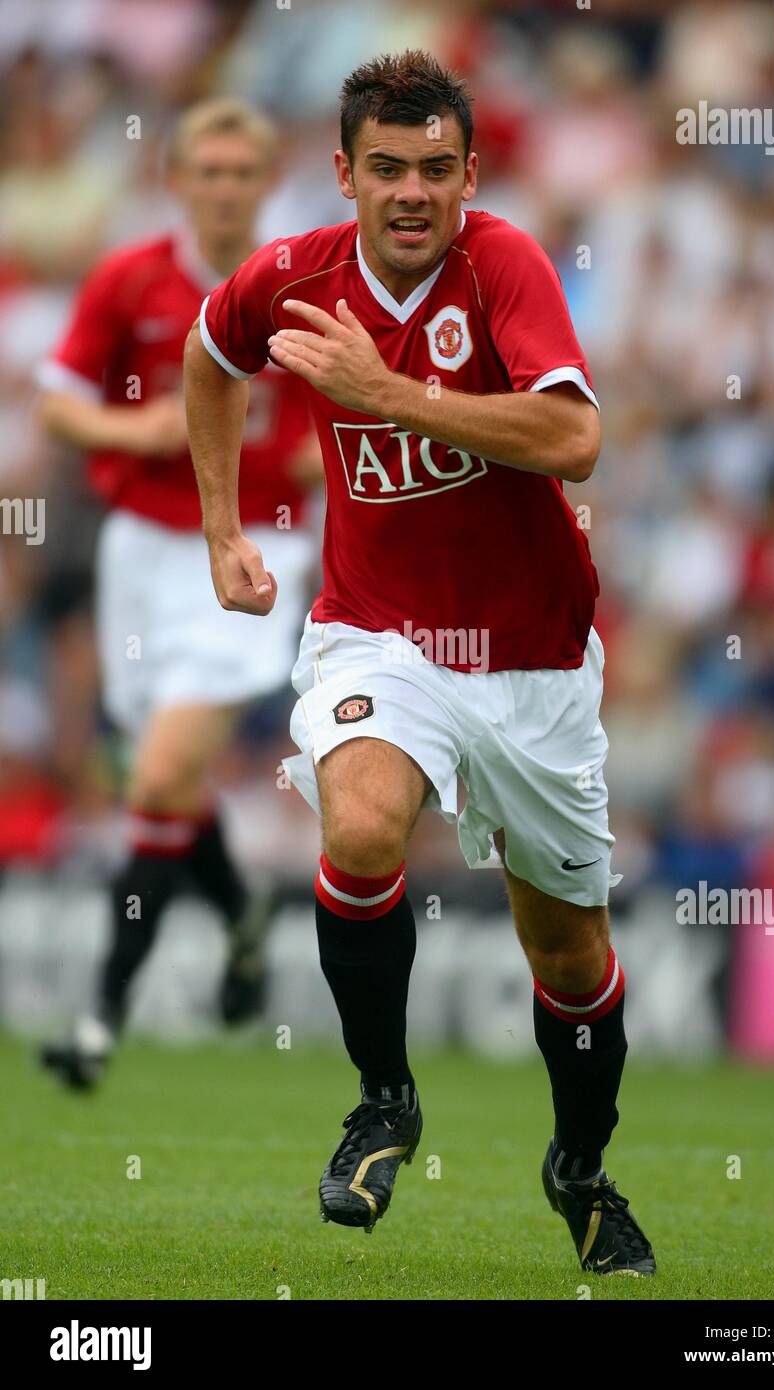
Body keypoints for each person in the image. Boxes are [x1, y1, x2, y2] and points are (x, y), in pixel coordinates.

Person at [184, 53, 655, 1277]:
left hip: (534, 663)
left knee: (568, 956)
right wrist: (224, 527)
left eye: (433, 170)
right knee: (360, 828)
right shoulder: (291, 277)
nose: (409, 193)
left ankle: (581, 1168)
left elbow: (574, 438)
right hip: (377, 635)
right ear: (342, 172)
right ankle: (383, 1099)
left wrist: (385, 391)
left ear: (468, 174)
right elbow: (208, 353)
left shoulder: (502, 265)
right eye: (383, 169)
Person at [37, 98, 321, 1089]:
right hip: (140, 555)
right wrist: (139, 432)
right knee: (153, 777)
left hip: (251, 549)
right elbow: (57, 400)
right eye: (211, 170)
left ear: (269, 175)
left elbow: (348, 412)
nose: (228, 188)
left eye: (246, 171)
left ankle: (96, 1022)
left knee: (156, 776)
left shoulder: (303, 287)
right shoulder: (131, 279)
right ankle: (242, 912)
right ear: (179, 178)